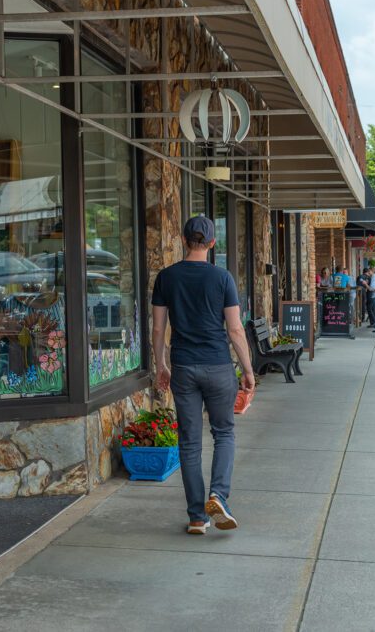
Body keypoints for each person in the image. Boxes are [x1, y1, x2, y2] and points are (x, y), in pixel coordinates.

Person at [152, 215, 255, 535]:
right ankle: (218, 495)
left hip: (183, 367)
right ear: (212, 244)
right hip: (218, 366)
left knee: (189, 442)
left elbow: (158, 328)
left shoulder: (166, 278)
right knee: (224, 433)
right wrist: (248, 370)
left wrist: (161, 366)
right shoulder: (222, 278)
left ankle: (198, 516)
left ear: (185, 241)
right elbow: (235, 330)